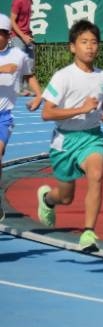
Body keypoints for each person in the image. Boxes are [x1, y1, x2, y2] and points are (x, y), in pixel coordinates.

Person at [37, 19, 103, 252]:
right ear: (73, 47)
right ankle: (47, 199)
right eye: (84, 42)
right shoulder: (63, 77)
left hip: (92, 137)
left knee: (97, 174)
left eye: (94, 42)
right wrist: (80, 109)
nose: (90, 47)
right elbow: (47, 113)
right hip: (65, 141)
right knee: (65, 197)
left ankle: (88, 232)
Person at [0, 13, 42, 221]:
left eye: (0, 34)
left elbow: (29, 76)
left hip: (3, 116)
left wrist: (39, 95)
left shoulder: (18, 56)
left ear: (8, 35)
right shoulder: (7, 63)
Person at [10, 0, 37, 97]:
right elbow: (12, 21)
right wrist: (22, 36)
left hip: (27, 36)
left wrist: (29, 35)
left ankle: (25, 88)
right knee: (19, 63)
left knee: (29, 63)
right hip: (17, 37)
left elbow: (25, 20)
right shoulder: (18, 1)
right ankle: (18, 88)